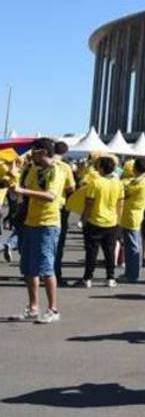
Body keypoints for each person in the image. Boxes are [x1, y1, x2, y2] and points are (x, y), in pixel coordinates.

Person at [9, 138, 67, 324]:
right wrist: (13, 176)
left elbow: (51, 196)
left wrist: (22, 191)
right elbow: (23, 189)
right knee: (28, 268)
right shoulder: (34, 169)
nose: (31, 154)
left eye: (34, 151)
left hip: (48, 224)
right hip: (30, 222)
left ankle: (53, 310)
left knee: (46, 268)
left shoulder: (56, 170)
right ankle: (33, 307)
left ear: (43, 152)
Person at [75, 154, 124, 288]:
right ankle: (110, 278)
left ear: (101, 168)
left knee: (91, 252)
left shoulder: (95, 183)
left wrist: (83, 220)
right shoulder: (118, 183)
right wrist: (119, 219)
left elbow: (89, 204)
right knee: (109, 252)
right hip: (112, 221)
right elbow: (120, 203)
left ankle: (87, 278)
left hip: (95, 221)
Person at [119, 157, 145, 283]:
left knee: (132, 247)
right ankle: (131, 273)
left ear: (135, 168)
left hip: (131, 216)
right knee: (133, 246)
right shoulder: (144, 180)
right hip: (134, 215)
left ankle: (132, 275)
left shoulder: (139, 182)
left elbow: (124, 192)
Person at [51, 141, 75, 284]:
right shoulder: (65, 167)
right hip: (60, 205)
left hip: (40, 204)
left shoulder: (39, 163)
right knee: (58, 242)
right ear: (65, 152)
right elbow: (71, 187)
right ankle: (55, 273)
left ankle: (37, 271)